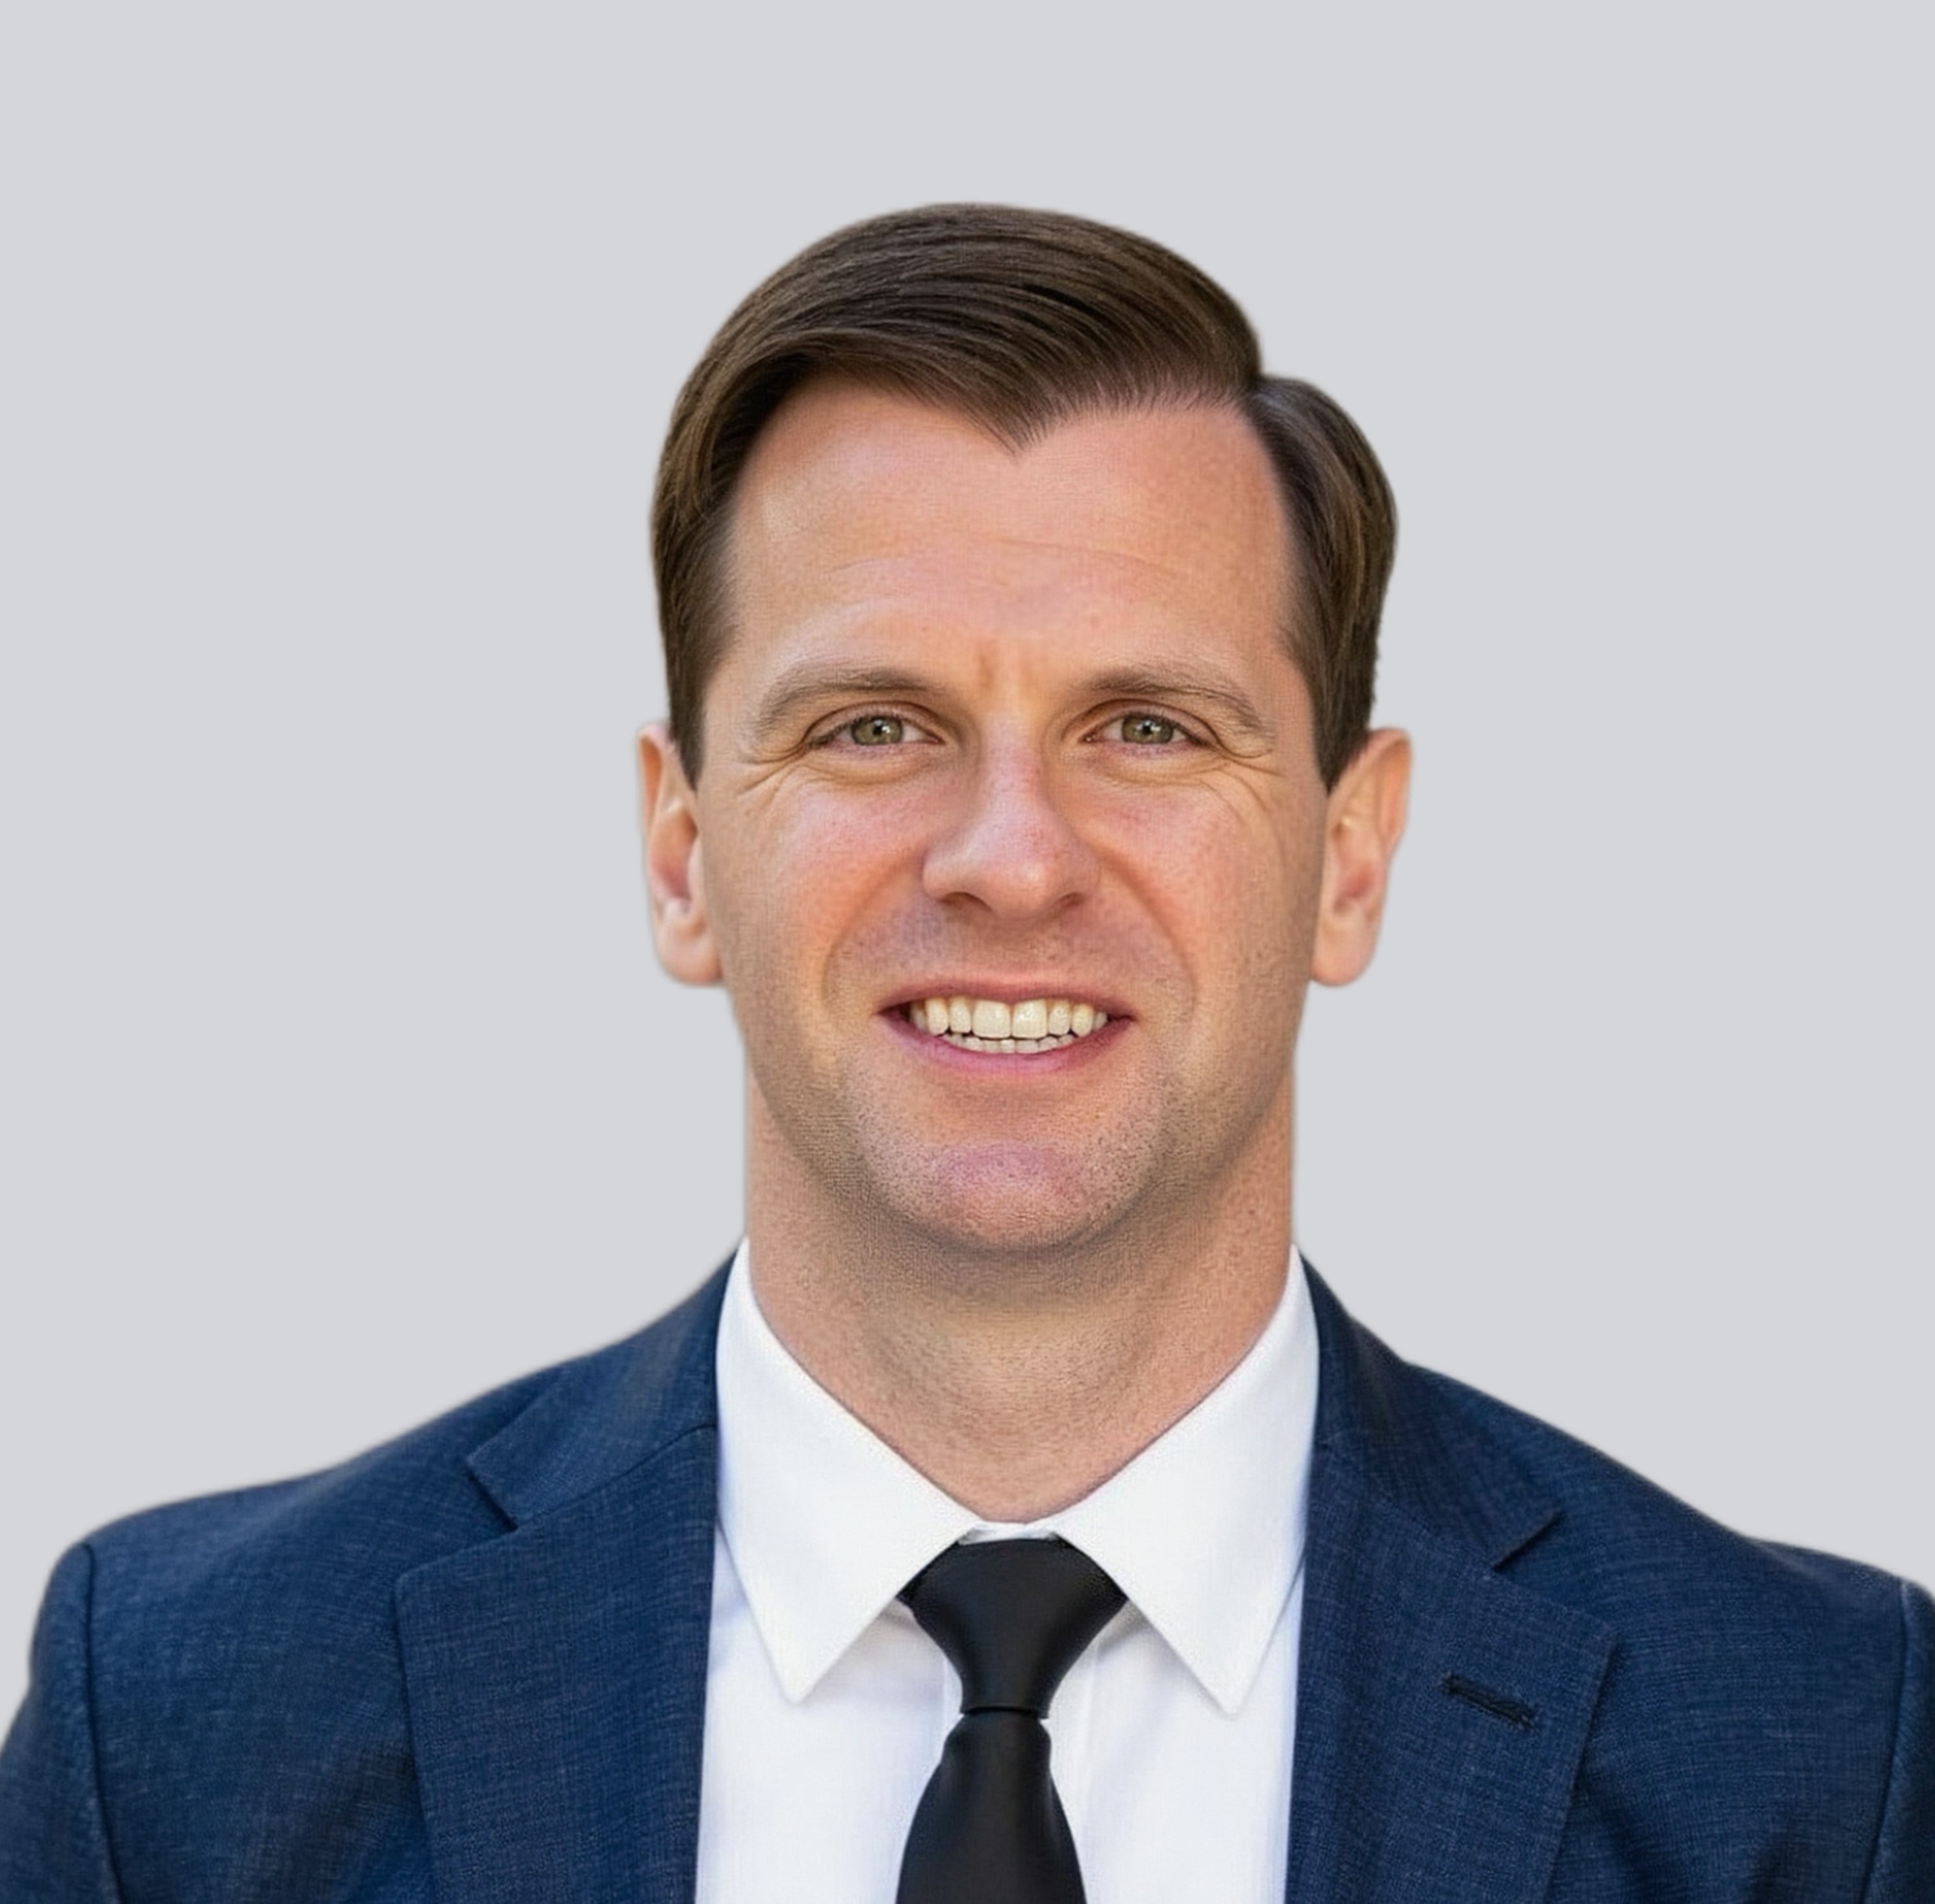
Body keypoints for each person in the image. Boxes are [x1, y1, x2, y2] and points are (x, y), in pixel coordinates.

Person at [2, 204, 1928, 1903]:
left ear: (1350, 857)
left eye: (1148, 728)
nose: (1010, 857)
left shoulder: (1815, 1751)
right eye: (872, 726)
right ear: (680, 852)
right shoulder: (182, 1717)